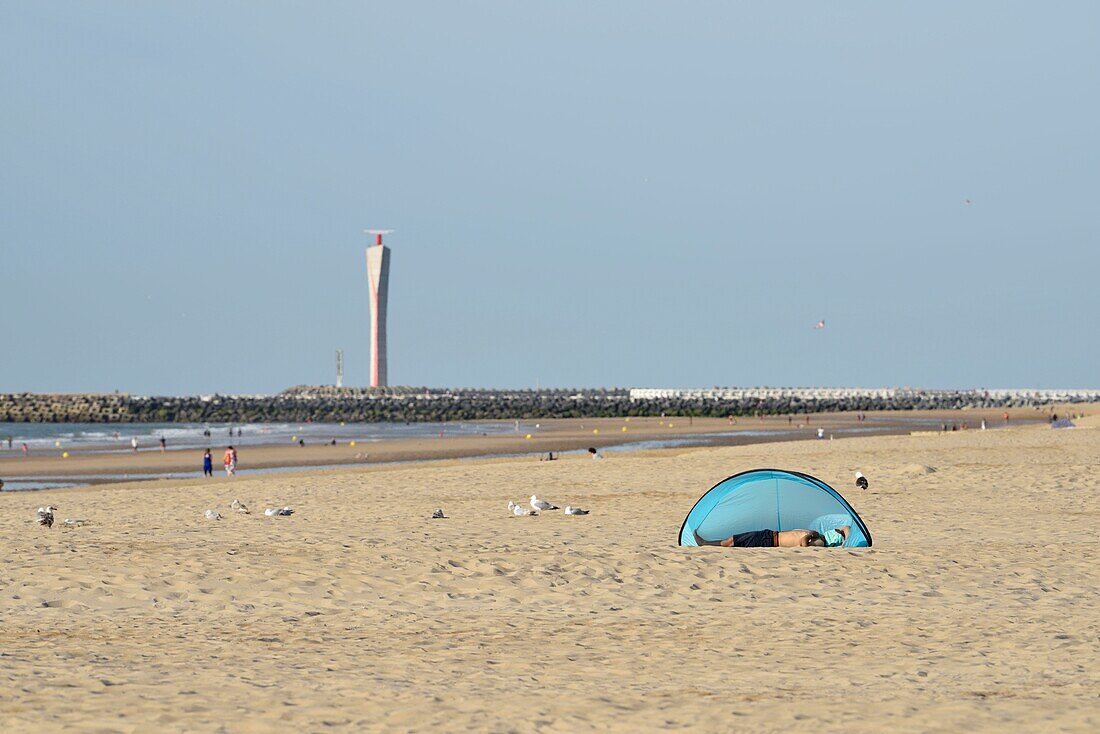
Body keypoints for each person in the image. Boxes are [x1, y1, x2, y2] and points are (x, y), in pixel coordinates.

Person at [694, 525, 850, 548]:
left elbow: (803, 544)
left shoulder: (819, 541)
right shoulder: (819, 536)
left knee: (732, 541)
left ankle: (705, 544)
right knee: (734, 540)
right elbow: (846, 528)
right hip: (770, 535)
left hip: (769, 541)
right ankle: (706, 543)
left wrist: (811, 534)